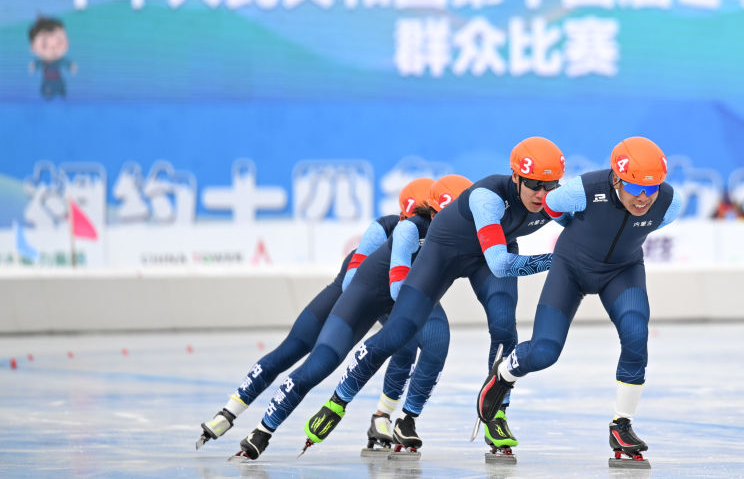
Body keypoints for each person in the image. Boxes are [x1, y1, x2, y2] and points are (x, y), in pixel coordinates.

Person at [294, 136, 566, 460]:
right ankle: (338, 400)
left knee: (504, 326)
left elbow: (588, 225)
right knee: (399, 332)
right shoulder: (488, 198)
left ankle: (491, 414)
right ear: (516, 177)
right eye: (534, 184)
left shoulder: (555, 198)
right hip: (448, 253)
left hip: (489, 254)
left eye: (551, 185)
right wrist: (557, 260)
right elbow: (500, 264)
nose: (542, 194)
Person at [476, 136, 683, 467]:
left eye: (651, 188)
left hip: (622, 271)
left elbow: (644, 222)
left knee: (636, 333)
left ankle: (622, 425)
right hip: (571, 269)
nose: (644, 198)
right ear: (617, 180)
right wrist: (576, 229)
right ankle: (503, 374)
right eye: (635, 188)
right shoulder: (584, 189)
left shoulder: (670, 202)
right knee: (545, 352)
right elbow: (552, 205)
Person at [236, 174, 474, 460]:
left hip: (409, 295)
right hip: (368, 298)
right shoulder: (405, 229)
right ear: (429, 213)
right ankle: (264, 429)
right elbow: (395, 289)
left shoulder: (462, 234)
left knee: (436, 340)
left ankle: (402, 419)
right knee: (319, 365)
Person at [196, 177, 435, 450]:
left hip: (379, 300)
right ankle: (229, 412)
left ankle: (382, 416)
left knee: (406, 345)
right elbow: (352, 283)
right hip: (349, 295)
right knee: (293, 351)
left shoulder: (433, 236)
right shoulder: (386, 228)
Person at [28, 15, 76, 100]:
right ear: (33, 47)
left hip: (58, 79)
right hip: (47, 79)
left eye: (59, 42)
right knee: (46, 93)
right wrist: (33, 66)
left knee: (62, 90)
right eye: (45, 45)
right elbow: (37, 64)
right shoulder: (42, 61)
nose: (52, 48)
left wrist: (71, 66)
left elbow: (66, 63)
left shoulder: (59, 60)